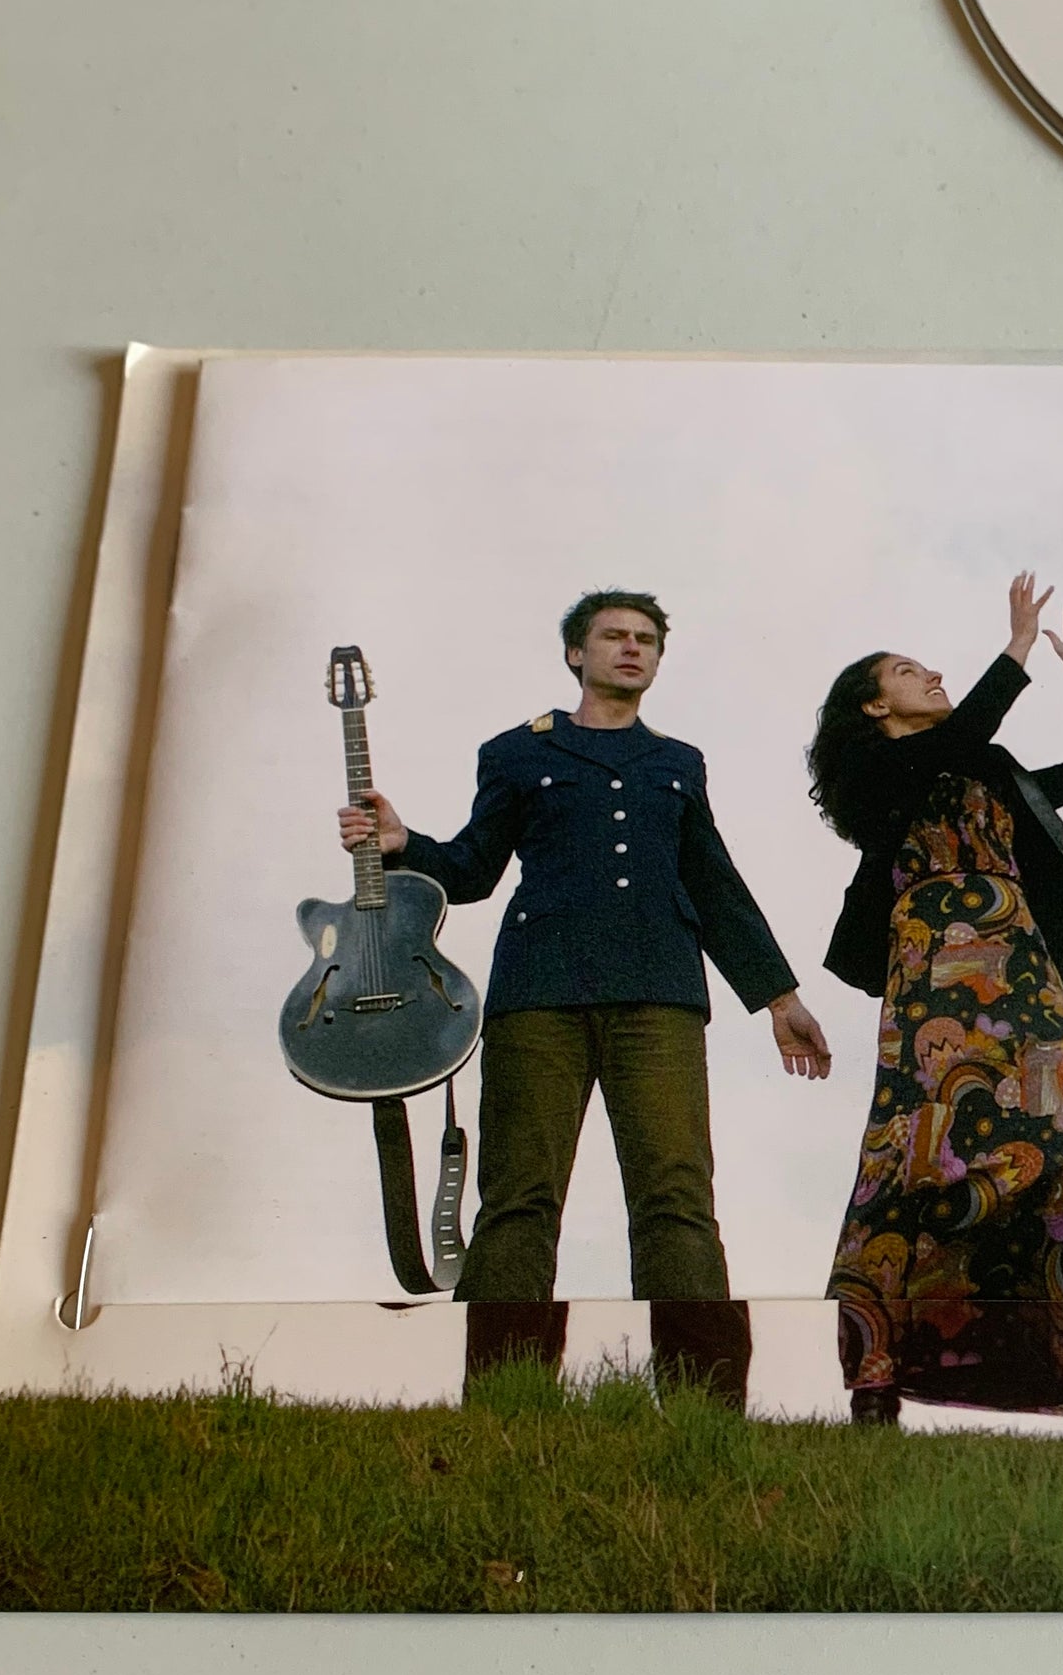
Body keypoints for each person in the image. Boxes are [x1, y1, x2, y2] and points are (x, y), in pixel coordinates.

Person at [339, 590, 833, 1409]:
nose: (632, 648)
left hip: (660, 997)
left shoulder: (677, 762)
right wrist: (402, 844)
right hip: (540, 996)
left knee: (677, 1198)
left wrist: (780, 998)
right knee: (518, 1198)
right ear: (577, 653)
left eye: (646, 639)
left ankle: (703, 1409)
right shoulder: (514, 753)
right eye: (613, 636)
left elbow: (712, 882)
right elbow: (472, 869)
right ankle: (505, 1401)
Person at [806, 573, 1063, 1433]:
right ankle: (878, 1383)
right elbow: (958, 736)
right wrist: (1017, 646)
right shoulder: (874, 771)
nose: (930, 675)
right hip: (933, 981)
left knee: (1058, 1137)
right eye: (906, 671)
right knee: (925, 1149)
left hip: (1024, 976)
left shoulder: (985, 766)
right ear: (873, 707)